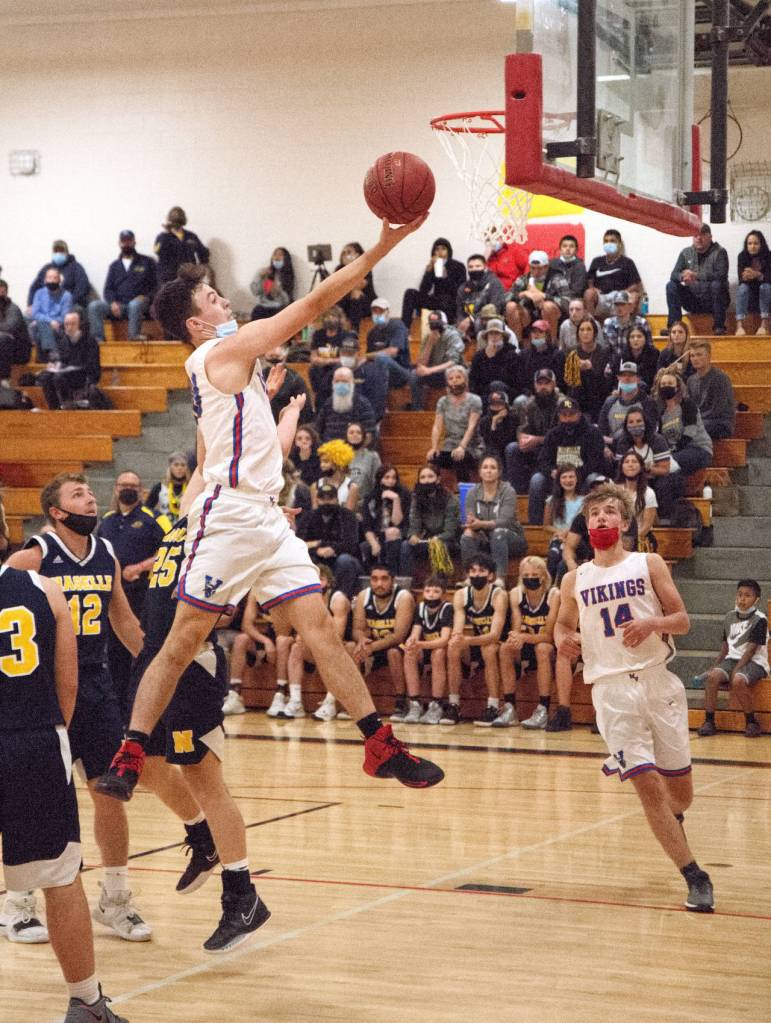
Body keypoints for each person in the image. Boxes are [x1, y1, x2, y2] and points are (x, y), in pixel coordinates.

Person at [98, 219, 443, 809]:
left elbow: (258, 454)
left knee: (321, 632)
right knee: (180, 643)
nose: (223, 299)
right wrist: (382, 248)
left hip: (263, 514)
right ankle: (129, 754)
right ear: (196, 324)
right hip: (228, 519)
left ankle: (379, 743)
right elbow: (312, 302)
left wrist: (280, 409)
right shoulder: (219, 350)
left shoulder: (240, 374)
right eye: (212, 296)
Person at [4, 473, 154, 943]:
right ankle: (18, 903)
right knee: (37, 795)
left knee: (110, 791)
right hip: (43, 690)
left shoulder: (106, 553)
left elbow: (125, 622)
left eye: (90, 493)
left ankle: (115, 898)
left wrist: (160, 670)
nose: (89, 498)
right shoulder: (35, 554)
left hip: (97, 686)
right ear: (56, 511)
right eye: (77, 494)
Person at [554, 481, 714, 912]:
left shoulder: (649, 562)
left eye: (609, 512)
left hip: (658, 682)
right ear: (587, 525)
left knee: (679, 795)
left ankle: (673, 817)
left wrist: (652, 625)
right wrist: (563, 640)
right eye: (594, 513)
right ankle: (694, 876)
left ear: (624, 522)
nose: (601, 518)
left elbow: (681, 620)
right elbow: (562, 626)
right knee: (647, 786)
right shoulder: (575, 578)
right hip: (610, 691)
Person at [0, 562, 128, 1022]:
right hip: (33, 738)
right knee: (60, 879)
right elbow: (68, 684)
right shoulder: (44, 589)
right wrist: (51, 731)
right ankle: (87, 1003)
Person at [99, 472, 172, 724]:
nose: (127, 489)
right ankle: (117, 716)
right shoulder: (107, 521)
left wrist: (141, 567)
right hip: (112, 598)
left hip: (143, 597)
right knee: (114, 656)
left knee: (139, 652)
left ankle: (144, 713)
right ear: (116, 489)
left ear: (141, 491)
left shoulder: (154, 519)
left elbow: (171, 549)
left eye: (133, 486)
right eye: (123, 486)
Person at [446, 554, 511, 726]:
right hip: (477, 641)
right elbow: (458, 628)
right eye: (473, 571)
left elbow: (495, 635)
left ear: (490, 575)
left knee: (488, 648)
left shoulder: (499, 595)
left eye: (482, 571)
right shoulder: (461, 595)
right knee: (453, 647)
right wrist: (457, 638)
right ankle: (454, 704)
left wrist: (465, 641)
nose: (476, 575)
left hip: (501, 643)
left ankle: (493, 706)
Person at [697, 579, 767, 739]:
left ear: (757, 599)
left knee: (738, 680)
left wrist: (737, 669)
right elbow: (725, 647)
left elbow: (751, 649)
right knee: (713, 677)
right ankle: (709, 721)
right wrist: (714, 667)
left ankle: (751, 722)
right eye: (740, 594)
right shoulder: (729, 617)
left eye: (747, 595)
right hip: (731, 660)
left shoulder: (760, 619)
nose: (742, 599)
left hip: (755, 662)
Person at [500, 556, 560, 729]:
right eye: (525, 574)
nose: (530, 578)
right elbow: (517, 628)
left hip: (549, 648)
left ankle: (543, 709)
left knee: (542, 648)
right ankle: (510, 708)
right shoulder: (516, 594)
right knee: (505, 648)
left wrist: (524, 637)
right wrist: (515, 637)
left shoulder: (553, 594)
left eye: (534, 574)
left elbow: (549, 636)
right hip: (527, 645)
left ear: (543, 576)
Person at [528, 395, 605, 525]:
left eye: (571, 414)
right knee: (536, 480)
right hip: (557, 477)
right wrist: (551, 471)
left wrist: (576, 474)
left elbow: (596, 461)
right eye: (564, 415)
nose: (568, 418)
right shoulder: (553, 434)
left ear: (579, 414)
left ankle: (592, 524)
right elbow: (542, 460)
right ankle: (536, 525)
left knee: (594, 480)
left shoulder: (593, 433)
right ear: (559, 416)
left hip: (584, 475)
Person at [352, 564, 415, 721]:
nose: (379, 584)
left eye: (384, 579)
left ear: (393, 581)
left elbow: (398, 636)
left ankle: (401, 701)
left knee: (393, 652)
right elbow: (357, 629)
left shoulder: (404, 597)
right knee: (350, 647)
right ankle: (357, 701)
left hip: (400, 646)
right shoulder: (363, 596)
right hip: (374, 646)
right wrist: (361, 641)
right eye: (374, 579)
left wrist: (371, 647)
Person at [296, 565, 354, 722]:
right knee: (296, 646)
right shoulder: (304, 599)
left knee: (341, 648)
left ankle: (330, 701)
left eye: (320, 579)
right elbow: (300, 632)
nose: (315, 582)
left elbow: (337, 636)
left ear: (329, 582)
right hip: (319, 644)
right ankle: (294, 700)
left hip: (342, 645)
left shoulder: (338, 599)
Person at [460, 454, 527, 584]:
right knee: (467, 535)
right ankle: (470, 576)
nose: (489, 471)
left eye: (493, 467)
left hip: (511, 538)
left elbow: (504, 521)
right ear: (479, 472)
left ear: (499, 472)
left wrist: (480, 523)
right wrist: (472, 523)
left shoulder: (508, 491)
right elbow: (471, 518)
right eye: (485, 467)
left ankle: (500, 578)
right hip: (485, 538)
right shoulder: (472, 492)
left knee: (498, 532)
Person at [88, 231, 158, 342]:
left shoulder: (147, 262)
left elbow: (156, 286)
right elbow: (108, 289)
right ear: (119, 243)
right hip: (119, 307)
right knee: (94, 306)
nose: (126, 244)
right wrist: (112, 302)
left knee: (135, 304)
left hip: (139, 306)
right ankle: (98, 341)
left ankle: (133, 336)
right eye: (123, 241)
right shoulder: (114, 266)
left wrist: (146, 297)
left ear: (134, 242)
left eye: (129, 241)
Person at [403, 575, 454, 725]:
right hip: (426, 648)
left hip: (444, 650)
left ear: (443, 594)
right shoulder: (420, 608)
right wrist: (412, 642)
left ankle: (436, 704)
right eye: (427, 591)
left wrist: (420, 644)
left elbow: (444, 640)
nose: (431, 594)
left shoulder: (447, 608)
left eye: (436, 591)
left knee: (438, 653)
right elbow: (415, 632)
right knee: (409, 652)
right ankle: (414, 703)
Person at [614, 406, 678, 520]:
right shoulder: (622, 442)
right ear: (626, 425)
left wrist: (645, 469)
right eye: (631, 422)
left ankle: (664, 520)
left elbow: (665, 469)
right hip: (633, 479)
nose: (635, 425)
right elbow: (620, 469)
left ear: (645, 422)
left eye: (639, 421)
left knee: (663, 484)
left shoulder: (658, 440)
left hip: (656, 477)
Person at [665, 224, 729, 335]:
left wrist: (696, 276)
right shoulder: (686, 252)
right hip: (693, 301)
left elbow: (721, 275)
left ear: (710, 236)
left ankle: (719, 327)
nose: (699, 238)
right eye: (695, 235)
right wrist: (683, 277)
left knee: (717, 285)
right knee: (671, 285)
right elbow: (673, 274)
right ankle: (673, 327)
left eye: (703, 235)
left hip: (713, 301)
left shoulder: (720, 252)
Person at [504, 368, 561, 494]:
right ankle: (518, 494)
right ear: (535, 385)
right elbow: (522, 428)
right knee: (512, 448)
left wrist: (538, 440)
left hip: (556, 452)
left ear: (554, 384)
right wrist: (522, 439)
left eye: (546, 383)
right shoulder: (530, 404)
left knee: (537, 480)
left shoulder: (563, 404)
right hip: (536, 448)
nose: (543, 387)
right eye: (539, 384)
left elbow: (564, 436)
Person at [398, 463, 460, 579]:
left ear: (438, 479)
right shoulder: (416, 498)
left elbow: (450, 532)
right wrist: (413, 536)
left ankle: (439, 583)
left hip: (447, 540)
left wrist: (436, 539)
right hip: (427, 540)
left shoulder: (450, 499)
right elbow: (414, 525)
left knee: (438, 545)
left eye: (430, 477)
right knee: (406, 545)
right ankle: (406, 582)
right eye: (423, 477)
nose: (426, 481)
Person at [304, 482, 363, 599]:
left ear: (336, 499)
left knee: (344, 560)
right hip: (317, 558)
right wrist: (317, 550)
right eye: (323, 499)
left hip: (345, 559)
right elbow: (300, 543)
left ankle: (342, 599)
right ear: (317, 500)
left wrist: (324, 545)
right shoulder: (309, 516)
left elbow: (352, 545)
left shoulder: (348, 516)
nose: (326, 502)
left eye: (330, 498)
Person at [35, 307, 101, 410]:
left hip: (83, 375)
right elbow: (59, 358)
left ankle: (68, 406)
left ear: (80, 325)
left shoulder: (90, 341)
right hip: (66, 373)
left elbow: (92, 366)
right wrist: (54, 364)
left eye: (73, 324)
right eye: (66, 324)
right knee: (45, 376)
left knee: (59, 377)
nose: (69, 327)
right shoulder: (63, 340)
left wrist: (67, 366)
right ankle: (54, 409)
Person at [427, 365, 483, 482]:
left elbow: (471, 426)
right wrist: (434, 447)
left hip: (471, 446)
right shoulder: (443, 401)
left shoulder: (475, 400)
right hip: (449, 444)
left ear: (465, 380)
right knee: (432, 458)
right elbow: (437, 426)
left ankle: (464, 495)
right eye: (451, 378)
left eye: (458, 377)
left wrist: (462, 447)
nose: (454, 380)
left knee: (459, 457)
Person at [654, 369, 713, 480]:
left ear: (677, 387)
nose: (666, 386)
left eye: (670, 384)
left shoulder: (687, 405)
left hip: (698, 449)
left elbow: (689, 434)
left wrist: (672, 452)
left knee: (667, 465)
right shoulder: (661, 411)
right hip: (675, 453)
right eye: (663, 384)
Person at [401, 236, 466, 326]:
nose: (440, 252)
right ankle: (405, 328)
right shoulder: (433, 266)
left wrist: (444, 274)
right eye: (437, 249)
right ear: (433, 252)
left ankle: (447, 328)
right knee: (410, 293)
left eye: (443, 249)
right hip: (436, 299)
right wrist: (428, 272)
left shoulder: (458, 266)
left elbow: (460, 291)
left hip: (451, 301)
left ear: (448, 251)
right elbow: (423, 290)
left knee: (445, 299)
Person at [409, 310, 465, 410]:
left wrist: (430, 370)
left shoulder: (452, 335)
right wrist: (430, 344)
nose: (434, 325)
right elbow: (421, 364)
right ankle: (417, 410)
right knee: (414, 374)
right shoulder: (428, 337)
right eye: (431, 323)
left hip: (451, 373)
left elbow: (452, 362)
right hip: (435, 374)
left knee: (455, 373)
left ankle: (456, 410)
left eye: (436, 322)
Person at [361, 464, 411, 576]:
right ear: (380, 480)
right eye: (387, 477)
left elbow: (398, 523)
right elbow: (367, 526)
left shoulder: (404, 494)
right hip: (378, 535)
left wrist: (396, 499)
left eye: (394, 478)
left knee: (393, 534)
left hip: (400, 534)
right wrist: (374, 543)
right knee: (365, 546)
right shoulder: (371, 497)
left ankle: (393, 576)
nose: (391, 481)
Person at [598, 361, 658, 452]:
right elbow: (601, 431)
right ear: (618, 378)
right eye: (623, 375)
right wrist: (605, 447)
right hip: (611, 451)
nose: (627, 378)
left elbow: (649, 433)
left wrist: (612, 441)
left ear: (638, 378)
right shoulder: (609, 402)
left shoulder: (648, 403)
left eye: (631, 375)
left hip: (638, 450)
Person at [584, 228, 642, 319]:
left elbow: (636, 285)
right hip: (602, 298)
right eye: (606, 241)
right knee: (588, 293)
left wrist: (623, 293)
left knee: (635, 296)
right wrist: (593, 289)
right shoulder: (596, 261)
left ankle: (628, 327)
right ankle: (591, 325)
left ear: (619, 244)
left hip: (620, 297)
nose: (608, 243)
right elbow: (589, 281)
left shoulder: (627, 262)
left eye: (612, 241)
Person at [505, 250, 563, 340]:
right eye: (532, 268)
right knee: (510, 306)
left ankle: (551, 344)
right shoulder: (524, 279)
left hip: (550, 316)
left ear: (546, 267)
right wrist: (523, 294)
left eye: (539, 268)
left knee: (548, 306)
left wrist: (544, 296)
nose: (536, 272)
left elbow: (568, 301)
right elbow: (504, 298)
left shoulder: (556, 278)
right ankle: (517, 345)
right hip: (528, 316)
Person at [563, 315, 611, 420]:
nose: (585, 333)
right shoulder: (572, 352)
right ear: (578, 333)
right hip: (576, 395)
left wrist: (590, 370)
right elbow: (567, 381)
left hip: (597, 396)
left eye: (589, 329)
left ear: (595, 333)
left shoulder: (604, 352)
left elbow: (604, 384)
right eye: (582, 330)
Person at [686, 341, 736, 440]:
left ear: (708, 356)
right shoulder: (691, 380)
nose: (695, 358)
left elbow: (717, 410)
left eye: (699, 354)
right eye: (692, 355)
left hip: (720, 423)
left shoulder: (720, 378)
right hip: (701, 421)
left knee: (691, 430)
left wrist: (695, 422)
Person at [315, 364, 376, 442]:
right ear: (333, 383)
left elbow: (369, 434)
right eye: (337, 381)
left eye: (344, 381)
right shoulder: (328, 403)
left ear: (352, 383)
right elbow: (317, 429)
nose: (340, 384)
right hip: (329, 449)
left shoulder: (363, 403)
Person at [544, 464, 584, 582]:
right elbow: (546, 525)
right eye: (564, 477)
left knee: (563, 563)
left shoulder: (584, 501)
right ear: (559, 480)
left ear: (577, 479)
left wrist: (567, 534)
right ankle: (549, 587)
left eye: (571, 477)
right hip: (558, 539)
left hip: (576, 541)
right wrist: (559, 532)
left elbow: (580, 525)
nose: (568, 480)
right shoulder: (551, 501)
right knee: (553, 555)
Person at [27, 239, 91, 311]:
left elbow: (82, 288)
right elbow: (34, 287)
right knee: (27, 316)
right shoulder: (46, 268)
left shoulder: (76, 267)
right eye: (56, 251)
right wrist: (31, 304)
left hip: (71, 304)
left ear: (67, 252)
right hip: (47, 305)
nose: (58, 254)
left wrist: (67, 302)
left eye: (61, 251)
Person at [468, 317, 521, 401]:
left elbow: (515, 382)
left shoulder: (512, 355)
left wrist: (494, 357)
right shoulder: (479, 356)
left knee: (496, 385)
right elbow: (473, 381)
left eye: (497, 333)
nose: (494, 337)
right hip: (484, 395)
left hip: (506, 394)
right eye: (491, 334)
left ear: (503, 337)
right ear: (487, 337)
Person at [154, 206, 210, 284]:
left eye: (179, 220)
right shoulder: (162, 237)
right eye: (174, 220)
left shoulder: (191, 236)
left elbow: (203, 253)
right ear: (169, 220)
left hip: (188, 278)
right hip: (168, 279)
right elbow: (157, 251)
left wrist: (201, 269)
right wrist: (165, 233)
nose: (177, 223)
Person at [308, 305, 350, 407]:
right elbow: (313, 357)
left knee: (337, 368)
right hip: (321, 367)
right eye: (328, 316)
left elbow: (345, 358)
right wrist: (321, 361)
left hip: (337, 366)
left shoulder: (345, 335)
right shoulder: (318, 334)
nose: (330, 318)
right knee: (312, 369)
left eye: (333, 316)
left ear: (339, 319)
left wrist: (328, 361)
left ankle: (325, 398)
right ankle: (319, 398)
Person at [616, 450, 658, 549]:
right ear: (622, 467)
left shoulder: (649, 493)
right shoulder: (615, 491)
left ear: (641, 467)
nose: (630, 465)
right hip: (617, 538)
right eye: (627, 462)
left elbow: (646, 526)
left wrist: (629, 542)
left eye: (634, 462)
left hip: (639, 538)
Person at [456, 253, 506, 337]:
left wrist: (471, 319)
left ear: (485, 267)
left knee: (479, 323)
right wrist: (461, 323)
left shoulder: (494, 283)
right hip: (467, 322)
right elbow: (459, 310)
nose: (474, 269)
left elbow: (495, 307)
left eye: (478, 266)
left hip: (488, 321)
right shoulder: (463, 287)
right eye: (471, 267)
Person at [366, 297, 411, 390]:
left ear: (387, 312)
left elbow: (392, 352)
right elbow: (369, 359)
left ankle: (379, 402)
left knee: (382, 359)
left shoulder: (397, 325)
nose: (377, 314)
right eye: (375, 311)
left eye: (381, 311)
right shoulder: (372, 333)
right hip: (380, 372)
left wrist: (366, 356)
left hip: (401, 372)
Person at [29, 267, 72, 360]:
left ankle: (50, 353)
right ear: (45, 280)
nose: (52, 280)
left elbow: (65, 317)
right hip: (43, 324)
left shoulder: (66, 295)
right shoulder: (39, 293)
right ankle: (51, 351)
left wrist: (45, 321)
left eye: (55, 278)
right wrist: (49, 321)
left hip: (58, 327)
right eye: (49, 278)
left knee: (40, 324)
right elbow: (35, 313)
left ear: (59, 280)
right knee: (26, 318)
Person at [334, 242, 376, 332]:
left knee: (356, 293)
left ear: (357, 255)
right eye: (343, 253)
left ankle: (354, 331)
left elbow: (358, 286)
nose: (345, 255)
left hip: (365, 304)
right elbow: (336, 287)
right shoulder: (339, 268)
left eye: (349, 252)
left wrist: (351, 267)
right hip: (346, 304)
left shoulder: (365, 266)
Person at [516, 319, 565, 395]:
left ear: (547, 335)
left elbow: (561, 380)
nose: (536, 335)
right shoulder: (523, 355)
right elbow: (521, 381)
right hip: (530, 394)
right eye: (534, 332)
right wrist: (529, 393)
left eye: (540, 332)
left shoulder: (558, 355)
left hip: (553, 392)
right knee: (519, 402)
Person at [735, 229, 770, 335]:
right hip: (750, 295)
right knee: (742, 288)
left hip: (766, 293)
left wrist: (758, 275)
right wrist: (749, 276)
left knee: (765, 287)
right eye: (749, 243)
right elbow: (741, 279)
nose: (752, 246)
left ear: (761, 244)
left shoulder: (769, 256)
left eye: (756, 243)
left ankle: (764, 323)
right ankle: (739, 325)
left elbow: (769, 278)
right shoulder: (742, 256)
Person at [602, 291, 652, 362]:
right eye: (617, 304)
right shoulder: (608, 323)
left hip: (637, 362)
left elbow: (649, 347)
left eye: (622, 304)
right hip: (614, 363)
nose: (619, 308)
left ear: (630, 306)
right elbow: (606, 350)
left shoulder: (642, 323)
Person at [0, 278, 31, 387]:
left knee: (2, 338)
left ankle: (4, 379)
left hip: (19, 351)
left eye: (2, 292)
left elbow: (10, 327)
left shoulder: (13, 309)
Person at [311, 438, 358, 510]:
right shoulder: (315, 486)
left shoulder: (351, 487)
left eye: (326, 462)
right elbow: (314, 514)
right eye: (321, 462)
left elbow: (349, 516)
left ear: (338, 463)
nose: (322, 465)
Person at [479, 384, 521, 463]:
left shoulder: (514, 418)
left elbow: (508, 440)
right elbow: (490, 443)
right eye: (493, 404)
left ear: (506, 405)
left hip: (509, 451)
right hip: (493, 451)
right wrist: (494, 423)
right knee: (491, 452)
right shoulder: (484, 421)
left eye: (499, 404)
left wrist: (500, 423)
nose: (496, 407)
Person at [250, 247, 294, 320]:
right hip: (264, 306)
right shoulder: (265, 272)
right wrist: (260, 277)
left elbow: (287, 300)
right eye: (275, 254)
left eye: (280, 255)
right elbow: (255, 292)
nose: (277, 257)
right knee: (257, 311)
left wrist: (278, 291)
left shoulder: (288, 276)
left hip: (280, 307)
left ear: (286, 259)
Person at [147, 451, 191, 524]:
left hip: (185, 529)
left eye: (183, 465)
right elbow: (147, 509)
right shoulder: (160, 487)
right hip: (164, 529)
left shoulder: (191, 488)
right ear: (170, 467)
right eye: (176, 465)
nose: (180, 468)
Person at [346, 420, 381, 507]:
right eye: (351, 432)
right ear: (346, 436)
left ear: (363, 437)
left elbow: (377, 484)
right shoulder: (339, 456)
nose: (355, 435)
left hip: (364, 505)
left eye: (358, 432)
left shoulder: (372, 457)